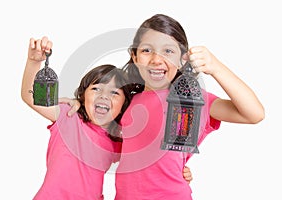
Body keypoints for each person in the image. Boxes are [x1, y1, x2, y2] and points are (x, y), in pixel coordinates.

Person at [66, 13, 264, 199]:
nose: (156, 59)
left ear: (182, 58)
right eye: (146, 50)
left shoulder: (193, 101)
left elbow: (253, 114)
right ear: (134, 57)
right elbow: (103, 130)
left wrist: (216, 67)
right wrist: (79, 103)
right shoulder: (127, 101)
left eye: (168, 51)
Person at [21, 36, 133, 199]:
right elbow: (29, 97)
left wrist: (182, 171)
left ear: (124, 105)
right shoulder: (68, 116)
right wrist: (33, 62)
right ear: (83, 95)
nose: (103, 96)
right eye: (96, 89)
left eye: (114, 92)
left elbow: (148, 163)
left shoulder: (118, 142)